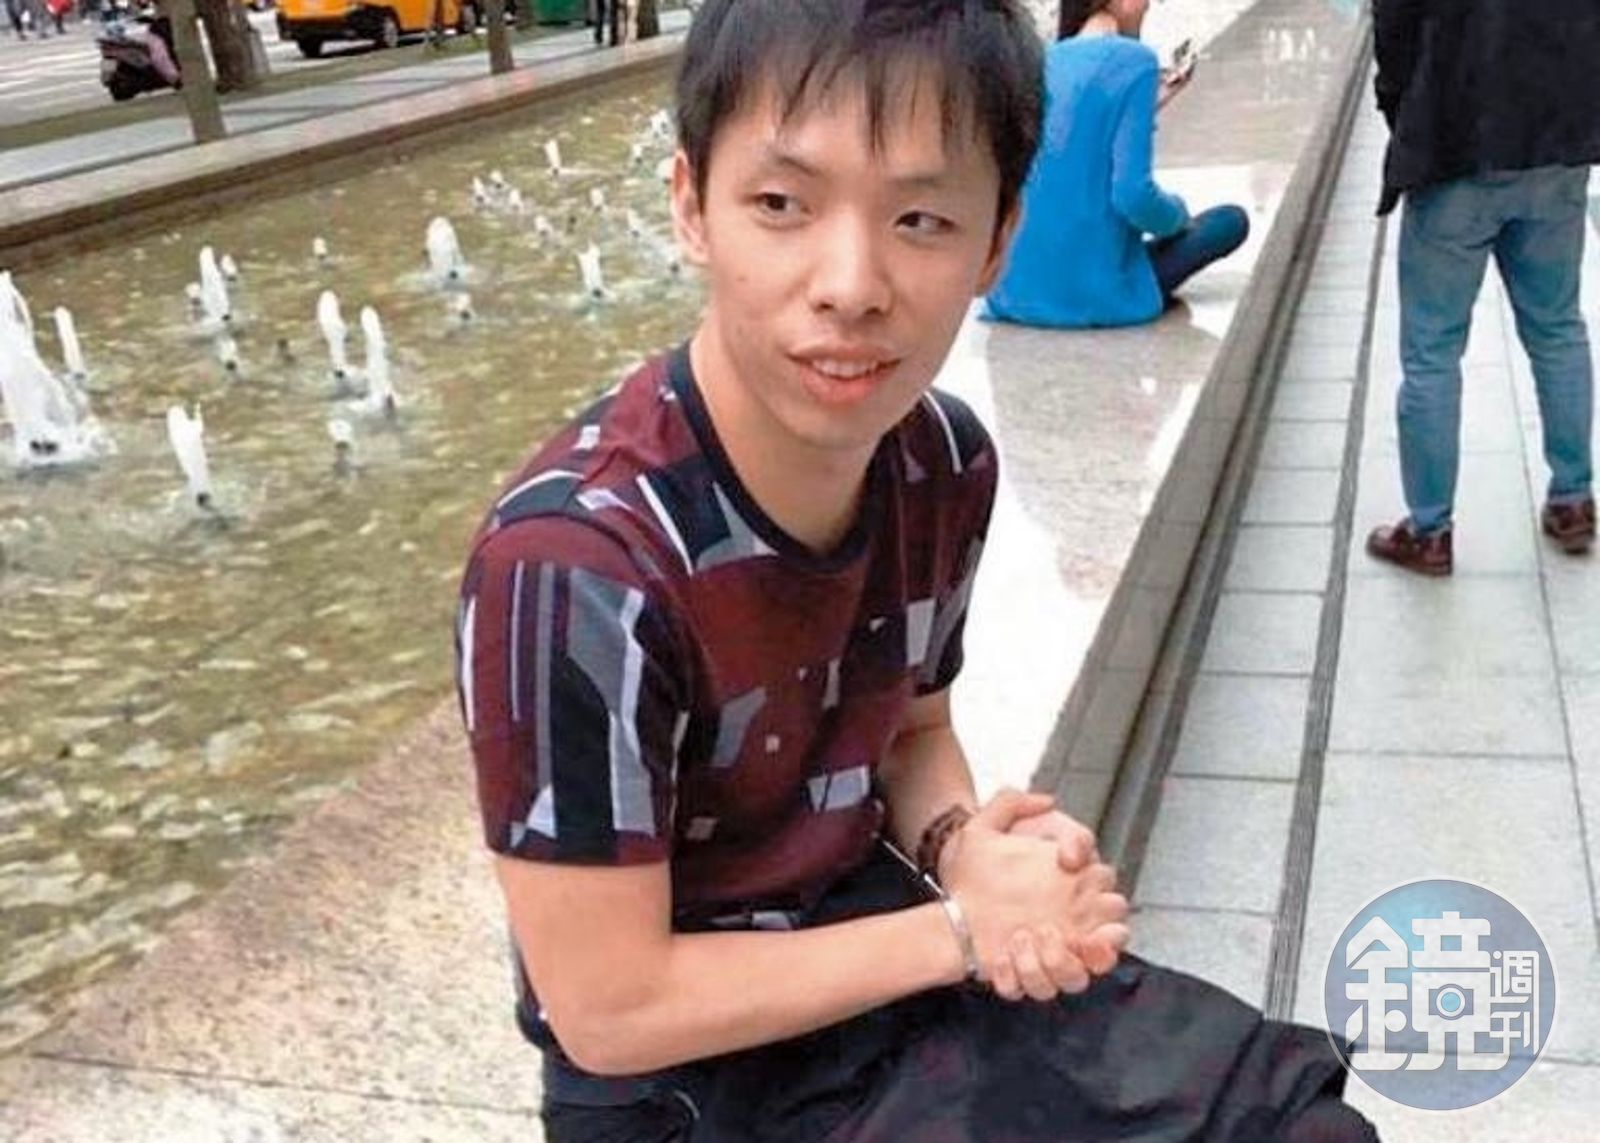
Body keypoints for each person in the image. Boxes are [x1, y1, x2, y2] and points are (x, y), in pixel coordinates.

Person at [456, 2, 1376, 1139]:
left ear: (996, 242)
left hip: (883, 982)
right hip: (687, 1091)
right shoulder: (575, 566)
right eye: (782, 204)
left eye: (923, 218)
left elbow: (912, 731)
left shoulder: (939, 458)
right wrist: (960, 931)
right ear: (692, 205)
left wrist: (965, 848)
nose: (852, 284)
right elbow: (609, 1010)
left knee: (1297, 1119)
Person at [1365, 0, 1600, 575]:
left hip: (1455, 143)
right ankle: (1573, 499)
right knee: (1557, 327)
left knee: (1432, 350)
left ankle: (1430, 532)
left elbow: (1394, 30)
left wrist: (1407, 114)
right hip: (1557, 142)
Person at [984, 0, 1249, 329]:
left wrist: (1149, 106)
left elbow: (1069, 141)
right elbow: (1133, 195)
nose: (1149, 5)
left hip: (1014, 294)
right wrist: (1178, 217)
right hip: (1095, 295)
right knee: (1229, 221)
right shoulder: (1136, 61)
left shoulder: (1041, 61)